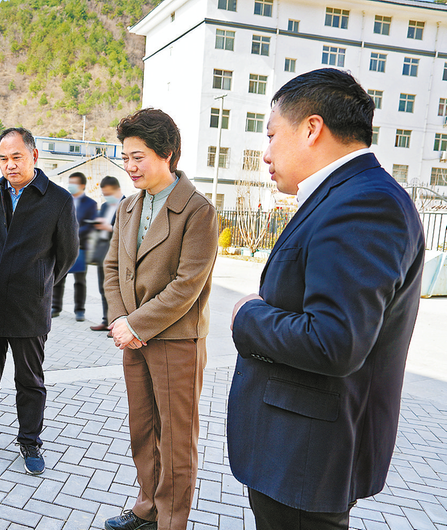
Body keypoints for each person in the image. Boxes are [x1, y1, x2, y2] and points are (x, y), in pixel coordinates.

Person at [229, 68, 425, 530]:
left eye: (273, 135)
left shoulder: (364, 203)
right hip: (295, 454)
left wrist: (247, 315)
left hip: (306, 461)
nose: (265, 154)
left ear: (313, 128)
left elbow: (334, 341)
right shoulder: (344, 196)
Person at [103, 109, 218, 530]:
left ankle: (171, 522)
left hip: (175, 342)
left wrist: (136, 324)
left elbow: (187, 285)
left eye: (139, 157)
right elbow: (112, 268)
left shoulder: (197, 211)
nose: (130, 167)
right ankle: (146, 509)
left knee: (175, 441)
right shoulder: (129, 206)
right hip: (132, 338)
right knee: (143, 431)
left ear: (167, 153)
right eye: (125, 157)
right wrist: (121, 321)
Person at [0, 127, 78, 475]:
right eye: (3, 159)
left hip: (28, 308)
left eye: (16, 157)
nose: (9, 165)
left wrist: (36, 281)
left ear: (34, 156)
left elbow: (66, 256)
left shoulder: (57, 200)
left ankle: (30, 440)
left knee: (30, 381)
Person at [52, 172, 98, 321]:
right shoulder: (64, 200)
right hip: (62, 247)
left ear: (82, 185)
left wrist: (72, 233)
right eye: (69, 182)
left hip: (81, 247)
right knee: (59, 278)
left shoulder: (91, 204)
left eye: (74, 183)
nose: (70, 186)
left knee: (80, 281)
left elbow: (91, 226)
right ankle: (55, 306)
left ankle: (80, 310)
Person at [89, 176, 124, 332]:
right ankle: (106, 320)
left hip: (118, 254)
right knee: (104, 287)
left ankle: (117, 325)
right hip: (103, 251)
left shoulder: (127, 205)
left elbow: (125, 231)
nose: (106, 196)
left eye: (108, 193)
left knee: (118, 289)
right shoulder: (104, 207)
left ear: (117, 189)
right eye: (104, 193)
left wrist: (108, 227)